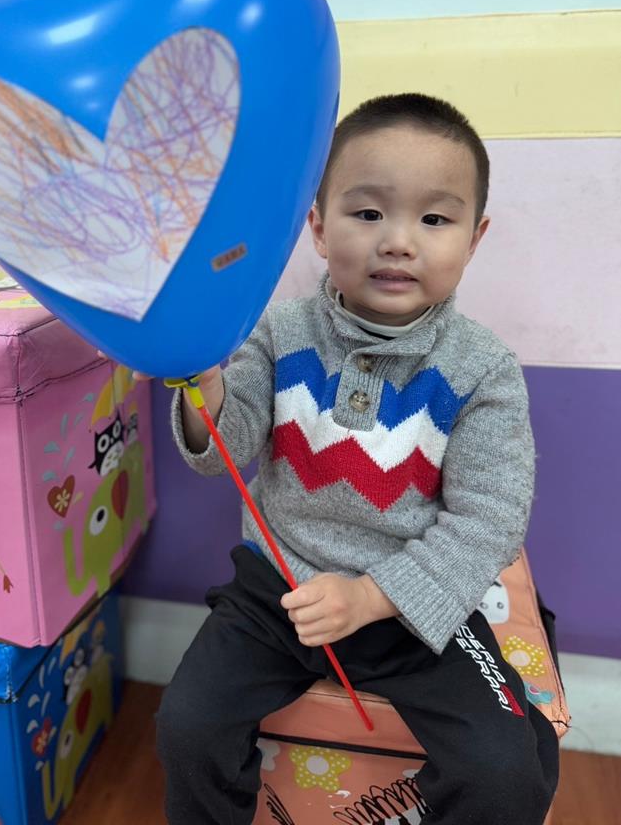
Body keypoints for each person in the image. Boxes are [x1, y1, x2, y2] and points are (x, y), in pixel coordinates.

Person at [153, 93, 559, 825]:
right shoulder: (277, 332)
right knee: (187, 727)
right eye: (368, 213)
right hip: (277, 593)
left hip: (411, 608)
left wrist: (371, 598)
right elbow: (223, 455)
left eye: (433, 220)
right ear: (317, 226)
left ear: (474, 238)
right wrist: (204, 383)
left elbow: (489, 521)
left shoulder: (482, 368)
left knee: (507, 768)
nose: (398, 242)